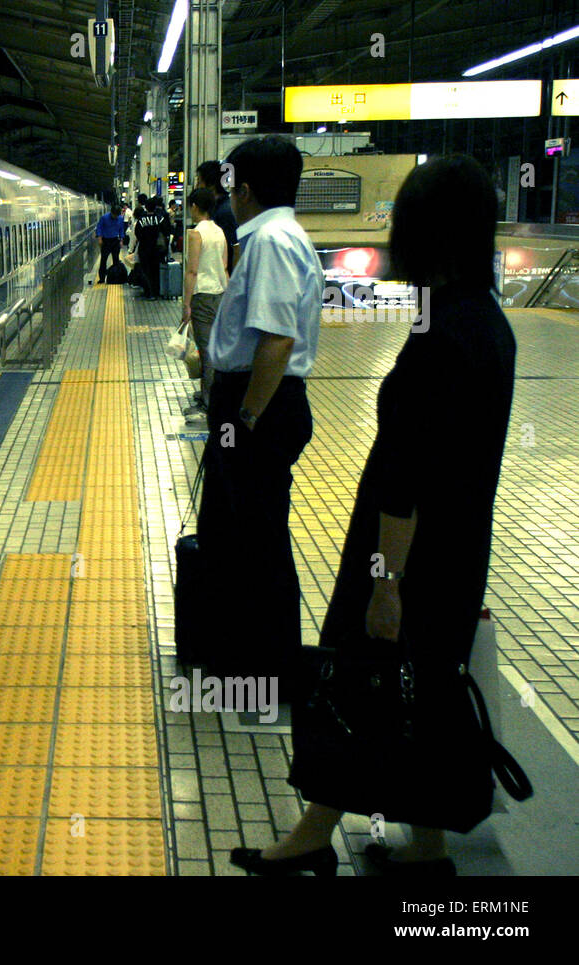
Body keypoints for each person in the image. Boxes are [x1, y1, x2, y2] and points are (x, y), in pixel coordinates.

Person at [231, 155, 516, 877]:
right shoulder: (487, 323)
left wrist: (385, 582)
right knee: (418, 690)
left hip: (404, 557)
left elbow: (406, 475)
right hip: (458, 552)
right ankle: (424, 849)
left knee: (358, 683)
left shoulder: (438, 339)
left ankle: (313, 833)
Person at [195, 135, 321, 688]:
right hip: (259, 402)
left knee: (257, 535)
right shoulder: (282, 236)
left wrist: (243, 420)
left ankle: (266, 667)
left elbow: (276, 341)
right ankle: (238, 653)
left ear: (244, 190)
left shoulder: (270, 241)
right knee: (233, 526)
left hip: (258, 405)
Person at [181, 187, 228, 420]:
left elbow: (192, 270)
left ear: (194, 207)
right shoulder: (220, 232)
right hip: (219, 294)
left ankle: (209, 404)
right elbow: (225, 266)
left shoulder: (196, 234)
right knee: (213, 350)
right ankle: (208, 394)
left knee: (206, 352)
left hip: (202, 296)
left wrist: (186, 304)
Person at [197, 159, 240, 270]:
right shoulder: (215, 209)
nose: (197, 187)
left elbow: (235, 248)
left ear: (211, 184)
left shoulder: (225, 212)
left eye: (199, 181)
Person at [133, 197, 168, 297]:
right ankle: (156, 291)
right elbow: (166, 232)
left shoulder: (141, 220)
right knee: (155, 270)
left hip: (144, 249)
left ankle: (148, 292)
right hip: (157, 249)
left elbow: (137, 233)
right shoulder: (160, 219)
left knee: (145, 270)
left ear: (146, 208)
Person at [95, 202, 126, 283]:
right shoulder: (104, 218)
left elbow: (121, 229)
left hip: (115, 241)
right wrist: (100, 238)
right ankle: (101, 278)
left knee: (116, 260)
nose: (115, 217)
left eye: (117, 215)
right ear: (111, 212)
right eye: (114, 215)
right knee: (103, 260)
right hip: (106, 241)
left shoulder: (120, 218)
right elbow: (99, 228)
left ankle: (115, 277)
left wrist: (122, 240)